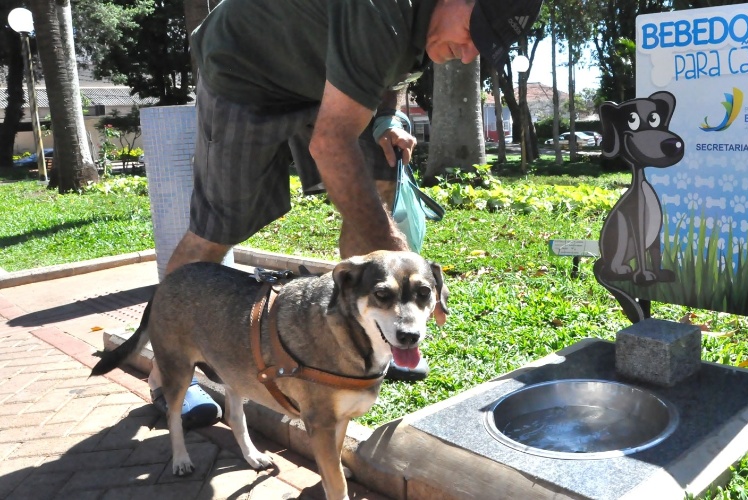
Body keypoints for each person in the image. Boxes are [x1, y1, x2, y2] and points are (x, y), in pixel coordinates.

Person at [149, 0, 544, 430]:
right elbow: (331, 143)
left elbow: (385, 66)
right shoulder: (381, 10)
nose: (470, 54)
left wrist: (388, 116)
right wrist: (398, 256)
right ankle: (166, 370)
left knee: (378, 173)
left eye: (483, 46)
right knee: (218, 227)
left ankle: (373, 335)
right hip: (245, 65)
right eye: (475, 32)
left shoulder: (420, 24)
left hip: (316, 74)